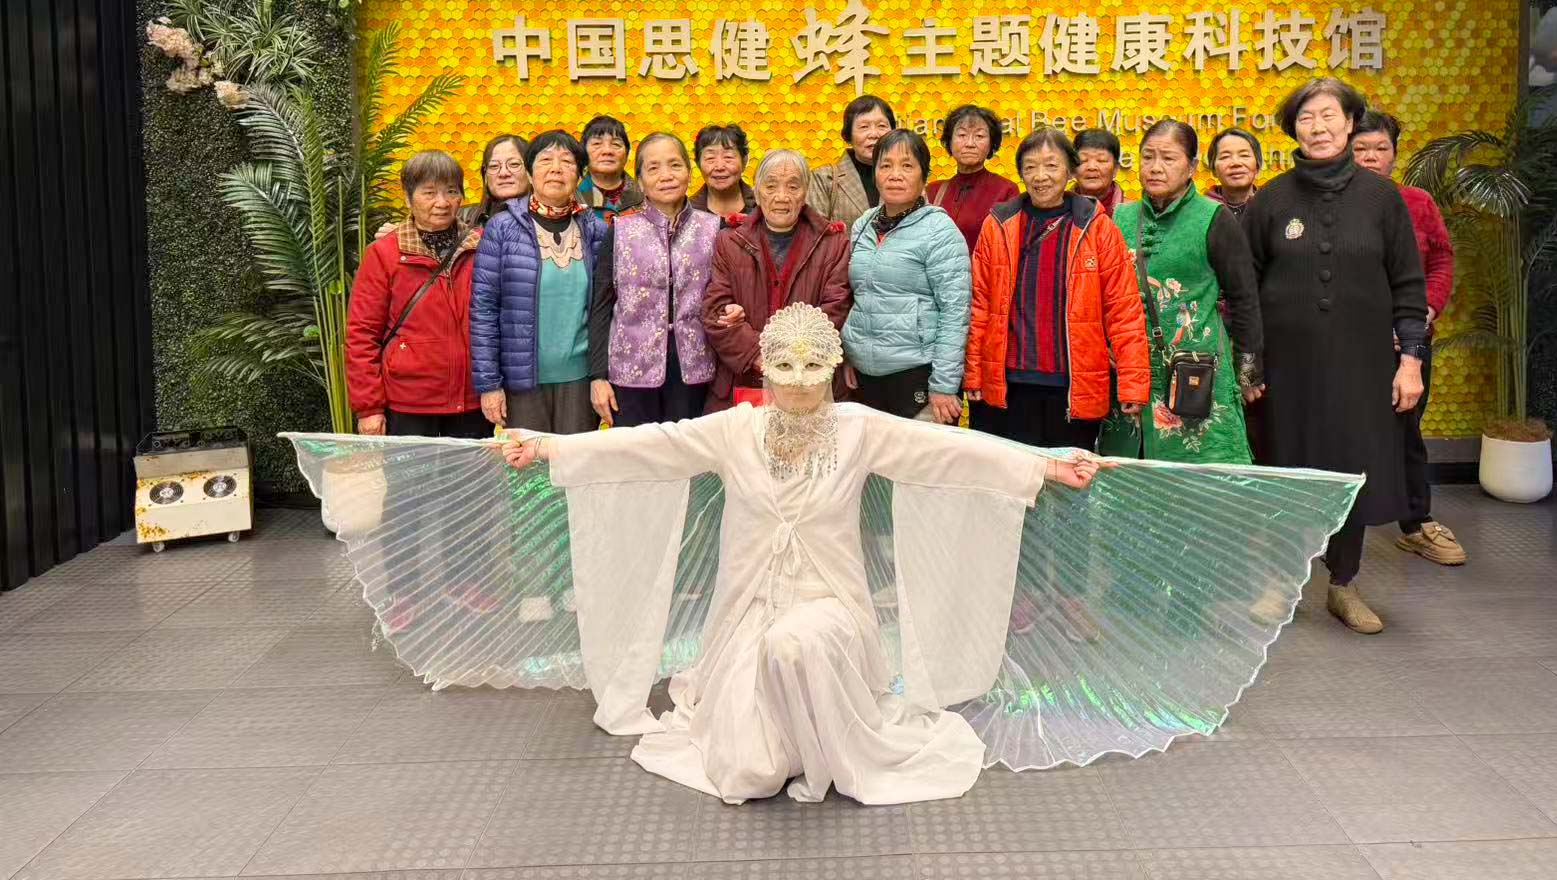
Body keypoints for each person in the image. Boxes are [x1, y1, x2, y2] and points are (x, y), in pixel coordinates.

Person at [294, 311, 1364, 803]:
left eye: (817, 364)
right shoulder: (731, 431)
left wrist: (1041, 462)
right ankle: (781, 752)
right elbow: (641, 447)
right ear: (764, 369)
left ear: (836, 367)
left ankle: (837, 753)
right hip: (738, 618)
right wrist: (553, 447)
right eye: (784, 365)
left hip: (836, 608)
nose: (801, 380)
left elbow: (953, 451)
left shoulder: (858, 430)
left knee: (807, 645)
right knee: (745, 739)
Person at [1245, 78, 1429, 635]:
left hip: (1362, 368)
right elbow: (1244, 290)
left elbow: (1409, 285)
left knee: (1351, 472)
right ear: (1293, 130)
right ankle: (1282, 580)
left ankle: (1343, 584)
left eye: (1329, 115)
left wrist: (1411, 361)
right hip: (1286, 371)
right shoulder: (1271, 200)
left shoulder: (1382, 199)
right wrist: (1249, 365)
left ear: (1350, 123)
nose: (1319, 127)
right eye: (1307, 118)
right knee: (1287, 470)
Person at [963, 126, 1149, 639]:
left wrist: (1133, 384)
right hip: (1008, 387)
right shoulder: (1000, 223)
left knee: (1072, 500)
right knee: (1012, 496)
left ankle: (1069, 598)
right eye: (1031, 167)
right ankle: (1018, 595)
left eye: (1052, 166)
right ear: (1020, 172)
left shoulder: (1097, 227)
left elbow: (1123, 310)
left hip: (1073, 388)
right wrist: (974, 373)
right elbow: (980, 305)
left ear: (1070, 171)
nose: (1041, 176)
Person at [470, 130, 610, 623]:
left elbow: (604, 307)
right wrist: (489, 383)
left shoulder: (595, 230)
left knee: (575, 481)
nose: (556, 169)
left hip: (579, 380)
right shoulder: (503, 230)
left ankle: (571, 580)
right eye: (545, 160)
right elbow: (483, 309)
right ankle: (533, 584)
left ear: (580, 174)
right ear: (530, 172)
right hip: (522, 381)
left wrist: (601, 373)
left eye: (566, 162)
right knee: (528, 485)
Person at [345, 150, 488, 630]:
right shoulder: (385, 254)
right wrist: (369, 406)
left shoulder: (479, 247)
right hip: (409, 400)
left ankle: (465, 580)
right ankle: (403, 591)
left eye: (450, 191)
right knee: (406, 501)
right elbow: (361, 334)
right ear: (409, 198)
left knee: (468, 497)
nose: (441, 202)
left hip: (470, 397)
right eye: (429, 192)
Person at [1100, 121, 1262, 464]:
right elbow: (1102, 293)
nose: (1155, 167)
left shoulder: (1213, 218)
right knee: (1128, 474)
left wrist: (1247, 372)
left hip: (1196, 374)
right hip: (1129, 376)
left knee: (1204, 474)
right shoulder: (1120, 218)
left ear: (1191, 166)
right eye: (1148, 157)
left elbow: (1244, 300)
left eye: (1168, 158)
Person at [1352, 108, 1467, 567]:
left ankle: (1417, 524)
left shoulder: (1417, 203)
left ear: (1395, 155)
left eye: (1380, 148)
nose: (1370, 157)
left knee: (1406, 432)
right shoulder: (1329, 207)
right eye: (1360, 148)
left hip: (1408, 345)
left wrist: (1425, 310)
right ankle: (1333, 534)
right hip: (1348, 345)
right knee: (1341, 435)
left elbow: (1441, 261)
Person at [589, 132, 721, 426]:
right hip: (630, 374)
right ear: (639, 180)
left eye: (675, 165)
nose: (666, 176)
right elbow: (600, 307)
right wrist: (598, 376)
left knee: (689, 452)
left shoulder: (713, 228)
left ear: (689, 172)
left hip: (696, 371)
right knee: (635, 452)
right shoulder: (620, 230)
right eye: (653, 168)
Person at [703, 149, 852, 410]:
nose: (782, 197)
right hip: (742, 381)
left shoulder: (833, 243)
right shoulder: (729, 241)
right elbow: (715, 311)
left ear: (805, 192)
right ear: (757, 190)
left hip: (808, 382)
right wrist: (759, 355)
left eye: (793, 186)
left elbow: (835, 309)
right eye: (771, 186)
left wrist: (789, 362)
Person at [842, 129, 970, 422]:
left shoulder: (940, 230)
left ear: (924, 175)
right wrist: (851, 352)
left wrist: (944, 385)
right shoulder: (863, 225)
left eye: (907, 166)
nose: (895, 175)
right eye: (886, 165)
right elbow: (857, 296)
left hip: (917, 375)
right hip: (865, 378)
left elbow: (955, 312)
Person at [925, 103, 1018, 252]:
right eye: (962, 135)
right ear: (949, 141)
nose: (970, 144)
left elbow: (1008, 248)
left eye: (979, 136)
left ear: (991, 143)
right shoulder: (933, 191)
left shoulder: (1006, 190)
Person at [808, 95, 895, 226]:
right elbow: (814, 232)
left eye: (881, 126)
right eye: (864, 127)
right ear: (848, 134)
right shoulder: (824, 178)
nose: (874, 134)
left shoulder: (906, 176)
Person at [578, 114, 644, 221]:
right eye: (597, 144)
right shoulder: (570, 202)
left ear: (627, 153)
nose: (607, 151)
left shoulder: (647, 197)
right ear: (583, 153)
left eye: (616, 144)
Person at [461, 133, 531, 226]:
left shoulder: (546, 223)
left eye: (514, 164)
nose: (503, 173)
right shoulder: (459, 219)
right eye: (494, 166)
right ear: (485, 175)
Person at [689, 124, 757, 216]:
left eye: (728, 157)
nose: (720, 167)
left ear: (744, 161)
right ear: (698, 163)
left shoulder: (762, 205)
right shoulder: (686, 212)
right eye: (710, 158)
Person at [1206, 128, 1262, 220]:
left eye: (1244, 155)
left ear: (1257, 166)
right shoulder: (1201, 210)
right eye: (1225, 157)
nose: (1236, 163)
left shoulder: (1271, 206)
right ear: (1214, 169)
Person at [1072, 128, 1124, 214]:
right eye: (1083, 160)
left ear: (1115, 169)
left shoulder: (1133, 213)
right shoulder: (1058, 211)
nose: (1091, 167)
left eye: (1101, 160)